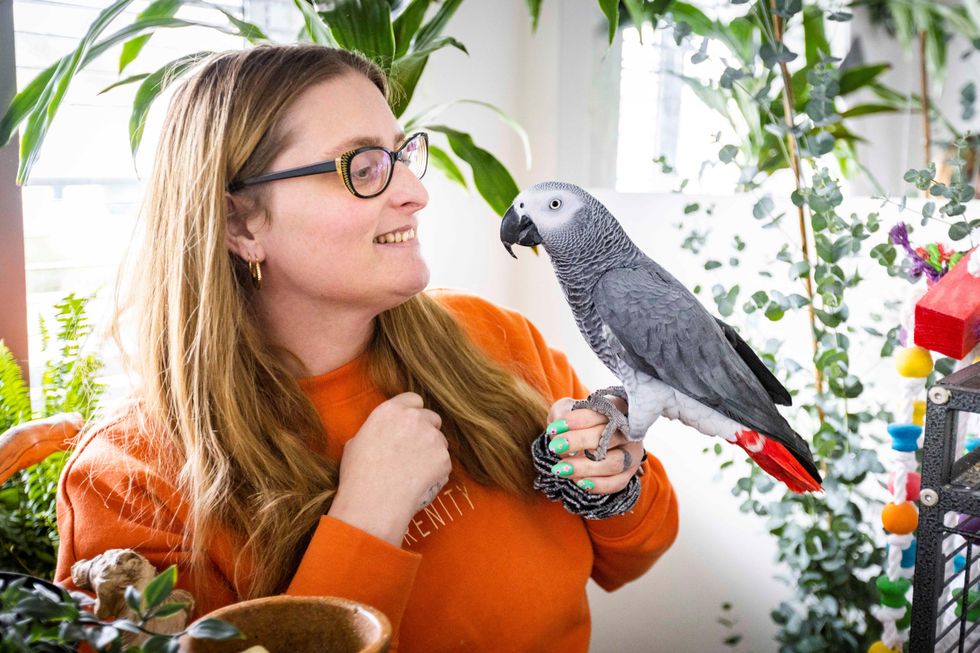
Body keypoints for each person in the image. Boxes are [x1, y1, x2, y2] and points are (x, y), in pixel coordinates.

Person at [54, 43, 678, 651]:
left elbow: (635, 556)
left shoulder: (496, 337)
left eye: (402, 155)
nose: (416, 191)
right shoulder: (130, 481)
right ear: (238, 224)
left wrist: (613, 484)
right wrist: (364, 522)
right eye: (362, 166)